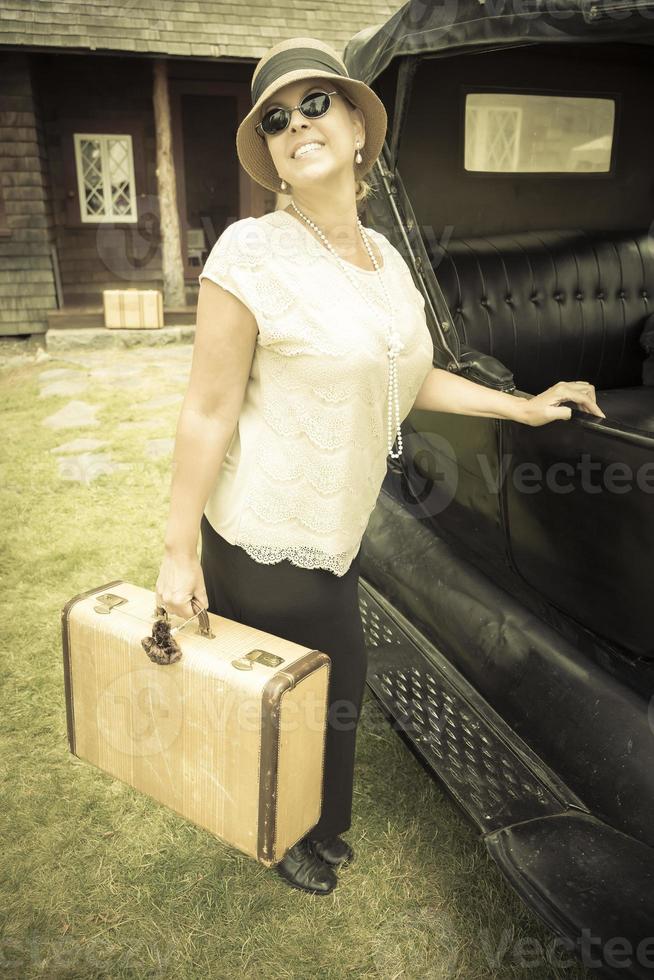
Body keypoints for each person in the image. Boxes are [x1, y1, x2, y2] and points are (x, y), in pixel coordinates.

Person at [155, 37, 606, 897]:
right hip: (262, 527)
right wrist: (178, 552)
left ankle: (309, 826)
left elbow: (408, 374)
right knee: (303, 692)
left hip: (338, 521)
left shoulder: (387, 261)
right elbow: (206, 411)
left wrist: (520, 405)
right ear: (275, 159)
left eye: (316, 104)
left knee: (330, 690)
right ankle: (289, 832)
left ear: (359, 125)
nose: (297, 126)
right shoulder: (249, 255)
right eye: (277, 121)